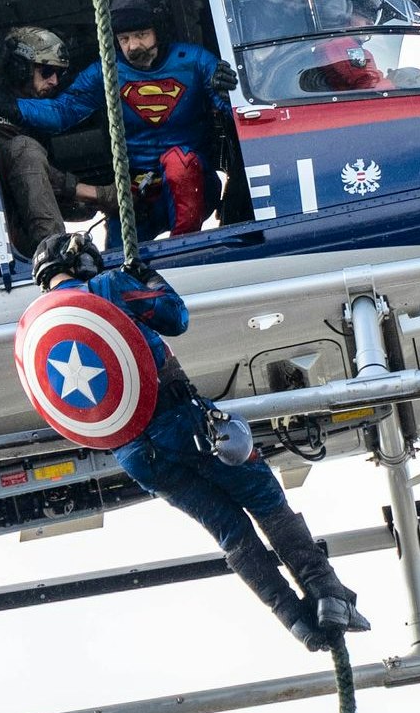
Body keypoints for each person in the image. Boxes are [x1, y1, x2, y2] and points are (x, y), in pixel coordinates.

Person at [41, 238, 368, 648]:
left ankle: (295, 621)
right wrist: (146, 276)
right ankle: (328, 595)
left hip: (135, 456)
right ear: (80, 259)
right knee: (266, 501)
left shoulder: (40, 329)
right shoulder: (107, 287)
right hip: (181, 420)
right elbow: (175, 317)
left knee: (229, 532)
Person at [23, 0, 233, 237]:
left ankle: (186, 247)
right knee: (118, 258)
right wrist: (7, 107)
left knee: (179, 162)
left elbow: (235, 113)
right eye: (124, 39)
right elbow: (61, 112)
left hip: (195, 185)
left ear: (160, 31)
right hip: (137, 194)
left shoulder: (196, 60)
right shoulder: (105, 71)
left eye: (141, 35)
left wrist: (228, 94)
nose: (133, 46)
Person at [0, 25, 106, 268]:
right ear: (20, 69)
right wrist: (95, 193)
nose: (54, 81)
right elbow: (24, 164)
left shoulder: (32, 116)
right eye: (47, 71)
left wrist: (94, 202)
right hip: (13, 243)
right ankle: (58, 264)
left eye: (58, 74)